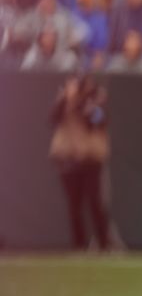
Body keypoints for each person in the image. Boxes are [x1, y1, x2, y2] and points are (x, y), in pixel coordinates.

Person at [49, 73, 111, 250]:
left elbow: (95, 121)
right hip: (69, 159)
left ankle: (103, 242)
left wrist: (88, 103)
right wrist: (66, 98)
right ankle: (79, 244)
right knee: (74, 204)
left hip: (91, 159)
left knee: (95, 202)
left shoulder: (96, 104)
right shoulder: (64, 102)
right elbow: (52, 118)